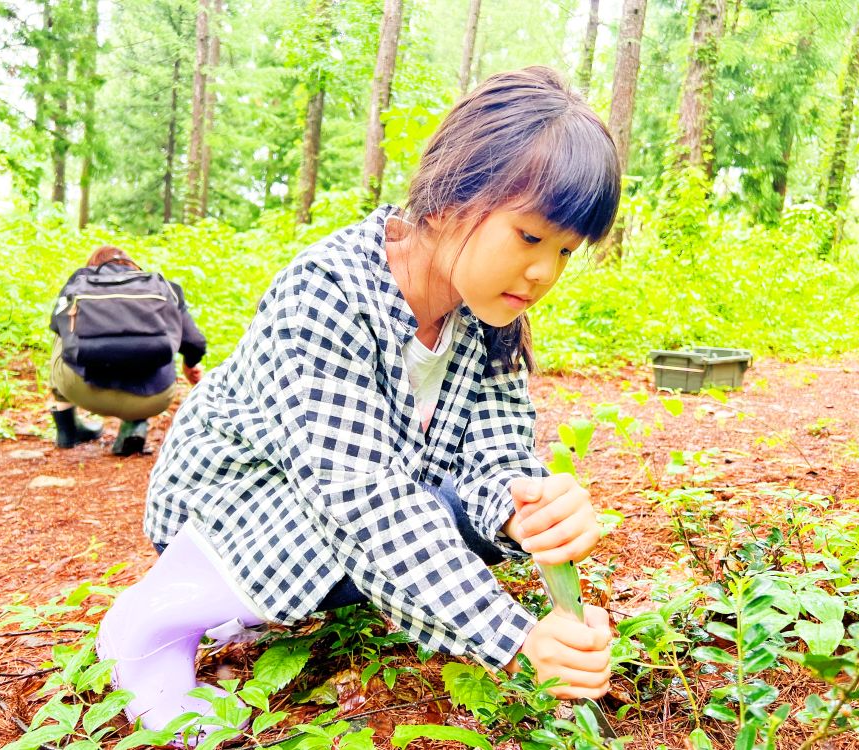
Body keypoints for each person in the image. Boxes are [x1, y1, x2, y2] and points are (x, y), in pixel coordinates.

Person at [97, 65, 621, 735]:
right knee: (360, 517)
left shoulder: (489, 317)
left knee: (463, 516)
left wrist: (532, 513)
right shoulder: (329, 292)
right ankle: (159, 617)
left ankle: (262, 602)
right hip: (234, 499)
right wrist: (516, 639)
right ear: (449, 199)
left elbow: (496, 459)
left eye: (567, 251)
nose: (544, 271)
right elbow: (361, 498)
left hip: (358, 489)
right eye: (530, 237)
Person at [48, 246, 207, 455]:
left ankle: (67, 430)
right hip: (152, 398)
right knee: (161, 338)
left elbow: (56, 324)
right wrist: (189, 365)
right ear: (133, 266)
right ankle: (134, 428)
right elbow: (195, 342)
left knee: (62, 330)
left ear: (92, 267)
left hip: (80, 389)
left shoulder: (80, 283)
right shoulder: (163, 287)